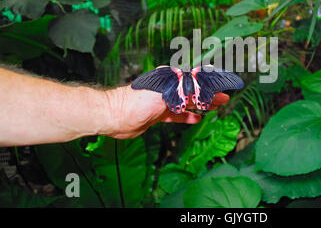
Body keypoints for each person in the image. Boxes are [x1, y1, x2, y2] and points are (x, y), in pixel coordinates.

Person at [0, 66, 229, 147]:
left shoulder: (173, 75)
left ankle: (190, 98)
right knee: (198, 98)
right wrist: (114, 109)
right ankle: (196, 98)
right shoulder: (195, 74)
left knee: (190, 99)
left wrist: (115, 110)